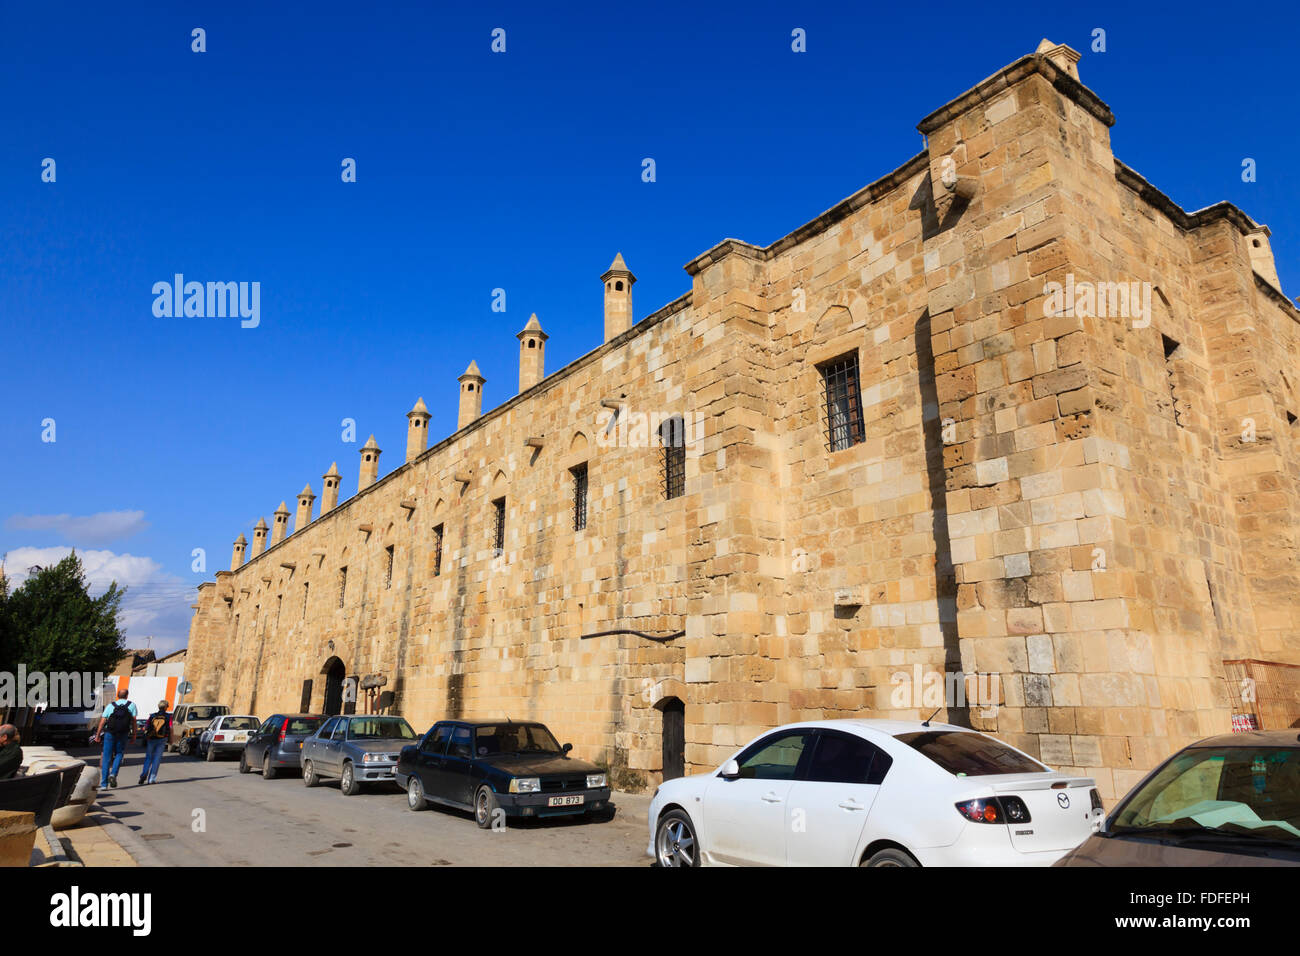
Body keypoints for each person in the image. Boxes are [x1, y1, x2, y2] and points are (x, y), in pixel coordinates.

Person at [94, 688, 137, 788]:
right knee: (119, 754)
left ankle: (104, 784)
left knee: (106, 758)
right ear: (127, 696)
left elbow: (102, 721)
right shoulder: (132, 705)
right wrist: (134, 735)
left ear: (117, 696)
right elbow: (134, 722)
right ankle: (113, 774)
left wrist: (97, 735)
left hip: (110, 733)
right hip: (123, 734)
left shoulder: (111, 706)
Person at [139, 700, 172, 785]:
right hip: (162, 739)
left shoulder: (152, 716)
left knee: (148, 757)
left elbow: (146, 727)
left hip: (151, 738)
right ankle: (151, 779)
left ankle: (144, 774)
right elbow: (171, 728)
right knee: (157, 759)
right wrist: (171, 739)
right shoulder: (169, 716)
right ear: (166, 707)